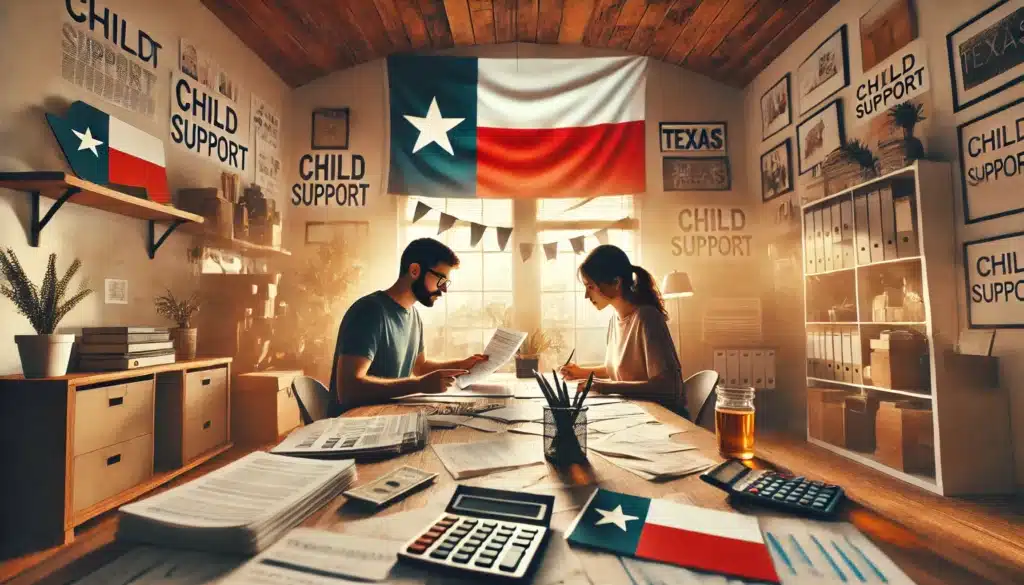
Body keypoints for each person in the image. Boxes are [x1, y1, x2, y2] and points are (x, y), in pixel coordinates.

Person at [330, 238, 488, 411]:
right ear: (414, 270)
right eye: (440, 280)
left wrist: (460, 365)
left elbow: (420, 366)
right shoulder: (369, 311)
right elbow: (348, 391)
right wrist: (419, 385)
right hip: (354, 424)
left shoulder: (414, 316)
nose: (444, 290)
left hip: (387, 416)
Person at [559, 245, 686, 415]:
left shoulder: (647, 317)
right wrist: (580, 372)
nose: (586, 296)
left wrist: (604, 387)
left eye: (590, 287)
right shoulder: (614, 320)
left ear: (616, 283)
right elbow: (618, 369)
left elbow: (668, 387)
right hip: (636, 413)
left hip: (663, 419)